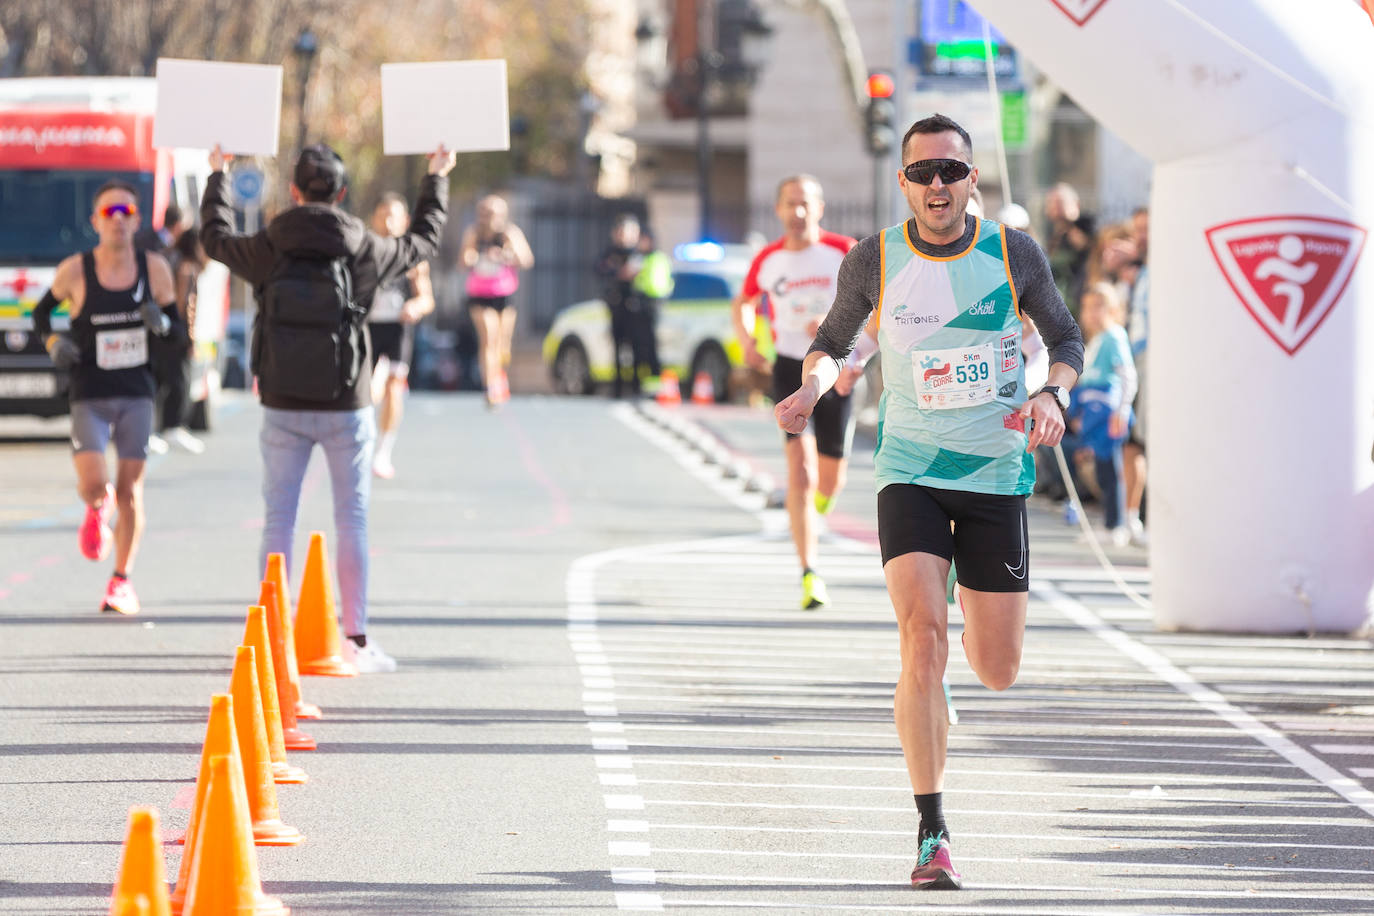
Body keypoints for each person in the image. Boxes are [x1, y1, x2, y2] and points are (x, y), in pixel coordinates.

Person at [775, 114, 1083, 888]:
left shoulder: (1013, 253)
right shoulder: (875, 257)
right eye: (922, 174)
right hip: (910, 467)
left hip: (994, 474)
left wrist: (1054, 395)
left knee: (998, 668)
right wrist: (812, 386)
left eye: (951, 171)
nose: (937, 185)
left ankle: (946, 666)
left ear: (972, 178)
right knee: (921, 639)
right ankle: (932, 832)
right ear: (904, 182)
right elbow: (834, 340)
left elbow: (1068, 340)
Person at [200, 142, 455, 673]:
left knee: (278, 519)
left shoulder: (271, 244)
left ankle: (272, 642)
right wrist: (435, 175)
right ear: (342, 194)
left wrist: (218, 174)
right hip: (346, 402)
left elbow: (215, 240)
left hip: (282, 402)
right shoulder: (364, 246)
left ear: (294, 192)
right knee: (352, 519)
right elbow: (424, 240)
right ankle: (356, 640)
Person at [32, 181, 186, 615]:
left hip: (136, 391)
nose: (118, 218)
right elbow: (41, 314)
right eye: (109, 212)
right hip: (90, 392)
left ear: (137, 220)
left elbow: (179, 336)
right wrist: (53, 344)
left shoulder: (154, 268)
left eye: (127, 211)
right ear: (95, 221)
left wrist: (161, 327)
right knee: (95, 482)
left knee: (130, 489)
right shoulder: (76, 269)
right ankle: (94, 510)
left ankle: (121, 580)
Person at [732, 175, 858, 610]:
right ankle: (809, 572)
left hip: (835, 367)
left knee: (829, 479)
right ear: (779, 210)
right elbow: (743, 302)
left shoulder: (843, 251)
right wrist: (748, 342)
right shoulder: (768, 259)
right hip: (788, 366)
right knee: (798, 472)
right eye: (790, 203)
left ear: (819, 209)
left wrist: (834, 322)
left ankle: (815, 512)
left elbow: (874, 304)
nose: (798, 212)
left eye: (805, 203)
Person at [366, 193, 435, 479]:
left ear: (405, 220)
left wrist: (415, 306)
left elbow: (427, 299)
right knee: (367, 392)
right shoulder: (365, 251)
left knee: (394, 389)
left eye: (393, 215)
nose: (388, 221)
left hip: (396, 329)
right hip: (368, 328)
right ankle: (362, 443)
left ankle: (383, 451)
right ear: (374, 218)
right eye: (383, 214)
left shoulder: (412, 258)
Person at [1063, 282, 1137, 545]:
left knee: (1110, 468)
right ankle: (1110, 521)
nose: (1093, 313)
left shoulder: (1115, 336)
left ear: (1113, 309)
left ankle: (1116, 525)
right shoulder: (1095, 341)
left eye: (1099, 307)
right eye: (1088, 307)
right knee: (1101, 469)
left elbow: (1127, 375)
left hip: (1110, 414)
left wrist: (1122, 408)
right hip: (1094, 415)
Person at [459, 194, 533, 406]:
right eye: (485, 212)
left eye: (493, 213)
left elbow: (526, 259)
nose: (489, 217)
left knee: (502, 344)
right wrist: (476, 257)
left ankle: (499, 375)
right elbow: (463, 260)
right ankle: (490, 386)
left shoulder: (510, 233)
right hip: (480, 294)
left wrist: (506, 255)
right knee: (488, 339)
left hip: (504, 294)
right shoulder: (474, 233)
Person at [158, 226, 208, 455]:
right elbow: (186, 305)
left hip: (164, 329)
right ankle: (173, 427)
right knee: (180, 381)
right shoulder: (187, 268)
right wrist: (189, 339)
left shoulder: (171, 258)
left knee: (163, 380)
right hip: (177, 331)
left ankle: (163, 428)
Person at [593, 214, 645, 399]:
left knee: (637, 348)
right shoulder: (611, 252)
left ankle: (637, 386)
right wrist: (618, 272)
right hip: (616, 305)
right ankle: (618, 387)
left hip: (637, 307)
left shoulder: (640, 253)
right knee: (617, 347)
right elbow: (600, 269)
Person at [627, 226, 673, 391]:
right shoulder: (653, 258)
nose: (641, 243)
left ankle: (651, 384)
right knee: (639, 346)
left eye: (643, 240)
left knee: (649, 345)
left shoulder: (648, 259)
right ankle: (640, 383)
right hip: (644, 304)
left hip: (651, 305)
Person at [1043, 183, 1095, 320]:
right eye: (1052, 203)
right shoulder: (1054, 236)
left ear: (1076, 204)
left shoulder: (1084, 227)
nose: (1055, 207)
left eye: (1060, 202)